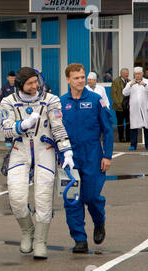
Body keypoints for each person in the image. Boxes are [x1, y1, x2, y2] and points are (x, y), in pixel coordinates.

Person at [0, 67, 73, 259]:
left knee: (43, 197)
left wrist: (67, 151)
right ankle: (27, 230)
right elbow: (5, 130)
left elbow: (58, 127)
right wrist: (22, 125)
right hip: (20, 150)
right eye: (29, 83)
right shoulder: (8, 102)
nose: (35, 86)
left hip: (45, 150)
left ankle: (40, 241)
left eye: (36, 81)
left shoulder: (51, 100)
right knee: (16, 198)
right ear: (20, 85)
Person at [60, 63, 113, 253]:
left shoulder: (96, 100)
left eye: (82, 77)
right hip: (69, 158)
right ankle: (79, 239)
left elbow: (107, 130)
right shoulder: (60, 102)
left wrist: (107, 156)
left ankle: (99, 222)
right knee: (72, 198)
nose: (81, 80)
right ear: (68, 80)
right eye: (76, 78)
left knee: (91, 196)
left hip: (92, 155)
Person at [122, 66, 148, 151]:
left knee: (147, 127)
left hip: (145, 108)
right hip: (134, 109)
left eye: (139, 74)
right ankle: (133, 144)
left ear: (142, 74)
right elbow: (124, 93)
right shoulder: (130, 83)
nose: (137, 75)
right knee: (134, 127)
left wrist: (144, 85)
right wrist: (130, 85)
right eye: (135, 74)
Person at [111, 68, 131, 142]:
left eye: (128, 73)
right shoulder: (116, 81)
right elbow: (113, 94)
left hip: (128, 106)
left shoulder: (129, 81)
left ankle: (128, 137)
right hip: (119, 107)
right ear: (121, 74)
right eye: (125, 73)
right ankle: (121, 137)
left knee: (129, 122)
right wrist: (119, 104)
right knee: (120, 123)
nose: (127, 74)